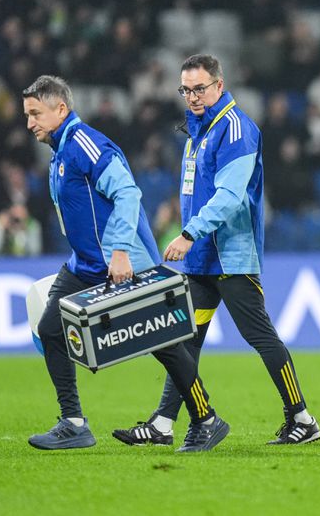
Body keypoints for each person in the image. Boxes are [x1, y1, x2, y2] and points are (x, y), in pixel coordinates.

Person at [112, 54, 320, 446]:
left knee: (260, 336)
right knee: (183, 341)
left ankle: (302, 418)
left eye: (199, 89)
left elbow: (229, 196)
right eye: (186, 90)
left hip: (231, 256)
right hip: (202, 259)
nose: (192, 96)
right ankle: (162, 424)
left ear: (219, 86)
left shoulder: (236, 128)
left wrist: (187, 234)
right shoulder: (199, 130)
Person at [22, 75, 228, 452]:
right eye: (28, 115)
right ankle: (73, 423)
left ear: (61, 109)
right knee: (51, 329)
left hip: (124, 262)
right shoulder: (60, 151)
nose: (30, 122)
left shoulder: (86, 144)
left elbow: (128, 193)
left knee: (165, 346)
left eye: (36, 113)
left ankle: (207, 419)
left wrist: (119, 251)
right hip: (84, 265)